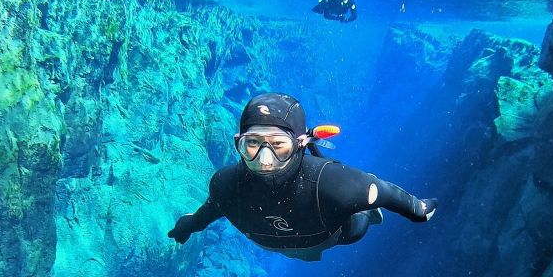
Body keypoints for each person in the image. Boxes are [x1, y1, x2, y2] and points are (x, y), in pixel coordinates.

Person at [167, 93, 438, 262]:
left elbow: (381, 190)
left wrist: (418, 209)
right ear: (238, 143)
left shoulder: (335, 184)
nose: (264, 159)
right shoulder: (224, 185)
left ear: (298, 143)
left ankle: (365, 213)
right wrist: (189, 226)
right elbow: (214, 208)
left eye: (278, 144)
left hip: (335, 235)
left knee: (359, 217)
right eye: (252, 143)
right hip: (290, 241)